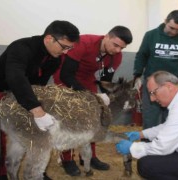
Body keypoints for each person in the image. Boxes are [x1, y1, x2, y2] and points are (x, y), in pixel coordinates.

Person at [0, 20, 80, 180]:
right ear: (49, 38)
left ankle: (37, 171)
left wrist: (39, 109)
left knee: (34, 130)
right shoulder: (21, 47)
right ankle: (0, 172)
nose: (66, 52)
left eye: (69, 48)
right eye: (64, 47)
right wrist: (37, 110)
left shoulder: (55, 58)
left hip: (24, 91)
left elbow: (38, 85)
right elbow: (15, 77)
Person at [53, 26, 133, 176]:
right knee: (69, 120)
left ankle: (89, 157)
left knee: (94, 119)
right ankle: (67, 159)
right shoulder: (84, 42)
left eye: (122, 48)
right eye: (115, 45)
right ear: (107, 37)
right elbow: (66, 74)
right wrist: (91, 96)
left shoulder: (116, 55)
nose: (117, 50)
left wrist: (106, 97)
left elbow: (105, 80)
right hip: (66, 77)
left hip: (87, 79)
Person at [133, 10, 178, 130]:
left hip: (176, 85)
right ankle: (147, 145)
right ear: (165, 21)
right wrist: (137, 75)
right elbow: (141, 55)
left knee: (173, 118)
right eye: (172, 28)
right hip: (152, 84)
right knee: (150, 117)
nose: (175, 32)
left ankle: (170, 147)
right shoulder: (151, 35)